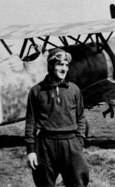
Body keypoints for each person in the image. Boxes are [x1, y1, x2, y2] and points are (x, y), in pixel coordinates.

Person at [25, 48, 89, 187]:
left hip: (71, 143)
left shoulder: (74, 89)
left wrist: (79, 141)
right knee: (44, 183)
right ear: (50, 66)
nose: (64, 68)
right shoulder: (36, 91)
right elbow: (31, 122)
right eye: (60, 64)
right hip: (45, 145)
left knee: (78, 182)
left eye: (66, 65)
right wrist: (31, 151)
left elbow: (81, 118)